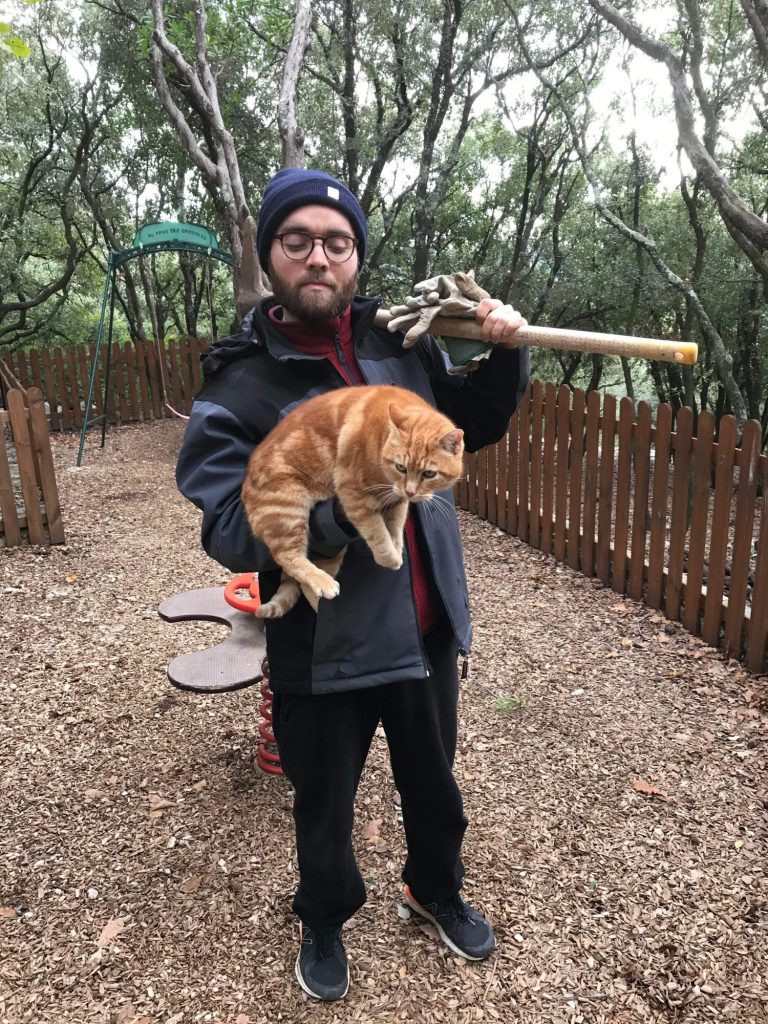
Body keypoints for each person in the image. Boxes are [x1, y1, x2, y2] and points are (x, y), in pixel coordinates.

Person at [176, 168, 530, 1002]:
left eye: (337, 243)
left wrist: (507, 354)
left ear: (356, 257)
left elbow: (469, 426)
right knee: (324, 805)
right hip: (323, 644)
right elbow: (228, 526)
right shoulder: (239, 385)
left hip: (424, 624)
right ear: (269, 255)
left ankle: (433, 889)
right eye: (297, 240)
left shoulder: (399, 343)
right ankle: (326, 917)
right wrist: (339, 515)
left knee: (434, 784)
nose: (318, 257)